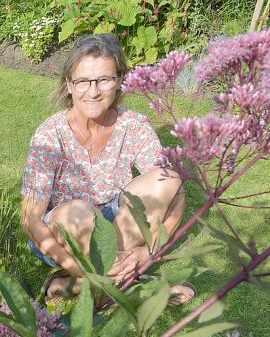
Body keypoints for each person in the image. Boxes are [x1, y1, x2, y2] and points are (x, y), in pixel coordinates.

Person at [21, 33, 192, 304]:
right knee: (78, 212)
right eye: (83, 82)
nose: (93, 91)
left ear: (119, 81)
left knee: (168, 178)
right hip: (64, 230)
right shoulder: (49, 136)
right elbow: (30, 221)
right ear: (69, 84)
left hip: (114, 220)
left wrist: (147, 254)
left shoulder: (133, 125)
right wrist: (78, 266)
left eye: (104, 79)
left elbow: (175, 195)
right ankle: (124, 285)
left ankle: (79, 286)